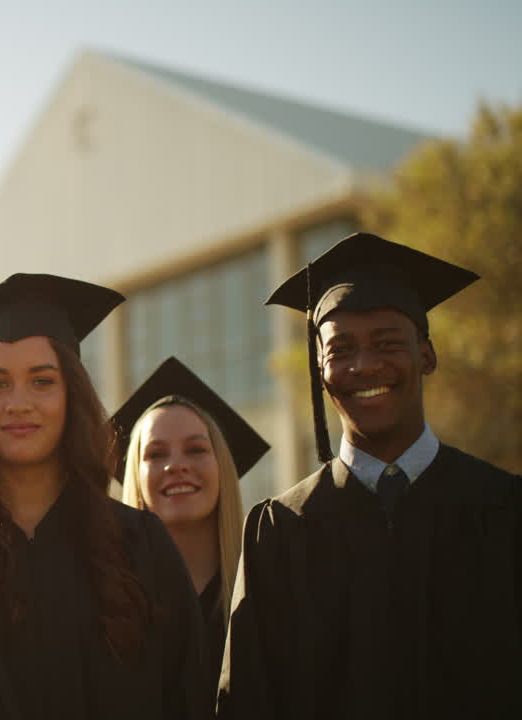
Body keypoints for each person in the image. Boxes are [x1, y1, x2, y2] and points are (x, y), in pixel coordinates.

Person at [217, 232, 522, 719]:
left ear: (426, 354)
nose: (365, 365)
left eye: (387, 344)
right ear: (319, 369)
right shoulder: (279, 531)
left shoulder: (502, 509)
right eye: (340, 350)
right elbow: (249, 700)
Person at [0, 273, 210, 720]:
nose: (19, 402)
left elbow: (186, 696)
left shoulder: (140, 545)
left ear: (71, 395)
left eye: (42, 381)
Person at [112, 355, 269, 696]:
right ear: (134, 478)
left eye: (195, 449)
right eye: (155, 454)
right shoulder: (108, 598)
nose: (175, 466)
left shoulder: (268, 585)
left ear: (221, 465)